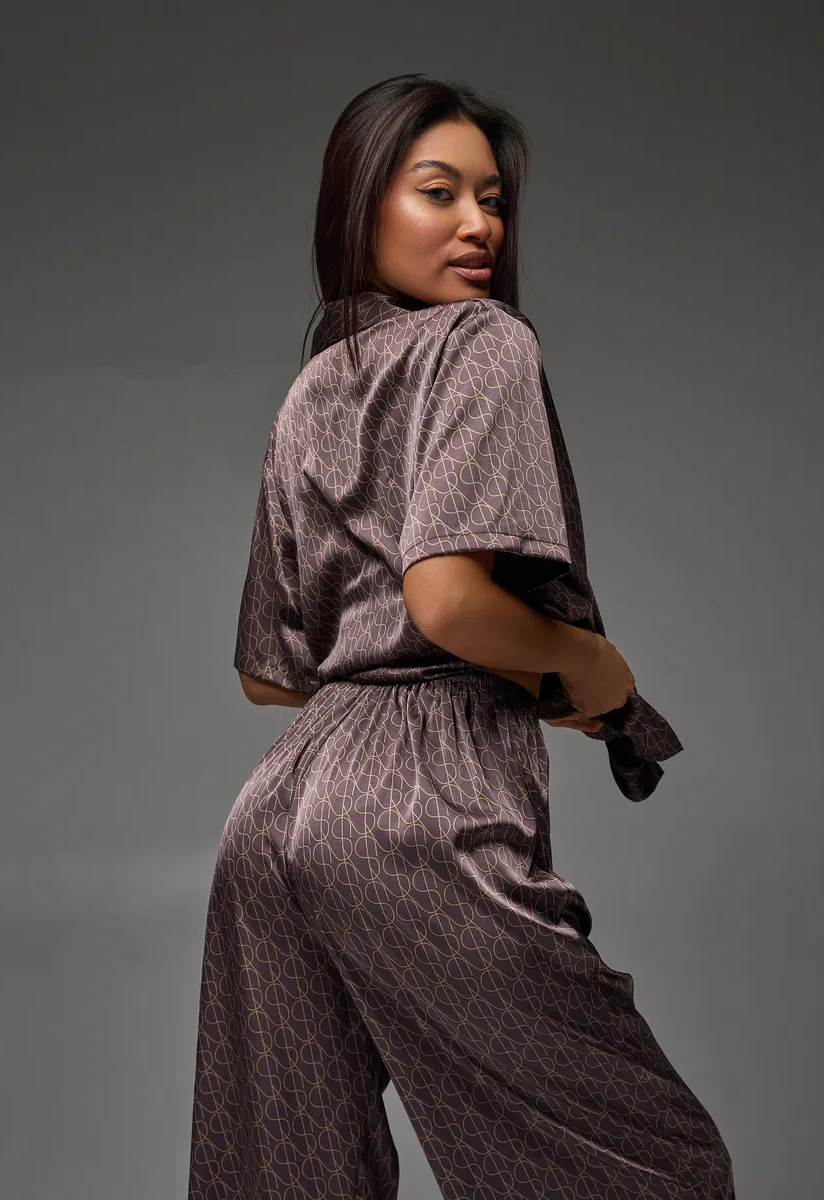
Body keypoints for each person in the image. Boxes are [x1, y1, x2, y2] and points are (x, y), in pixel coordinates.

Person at [188, 74, 735, 1200]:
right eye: (439, 192)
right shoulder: (482, 342)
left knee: (289, 1179)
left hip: (275, 812)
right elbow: (444, 603)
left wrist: (416, 688)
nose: (480, 224)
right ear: (361, 208)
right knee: (655, 1170)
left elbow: (268, 675)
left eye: (493, 199)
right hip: (418, 809)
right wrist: (588, 663)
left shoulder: (315, 385)